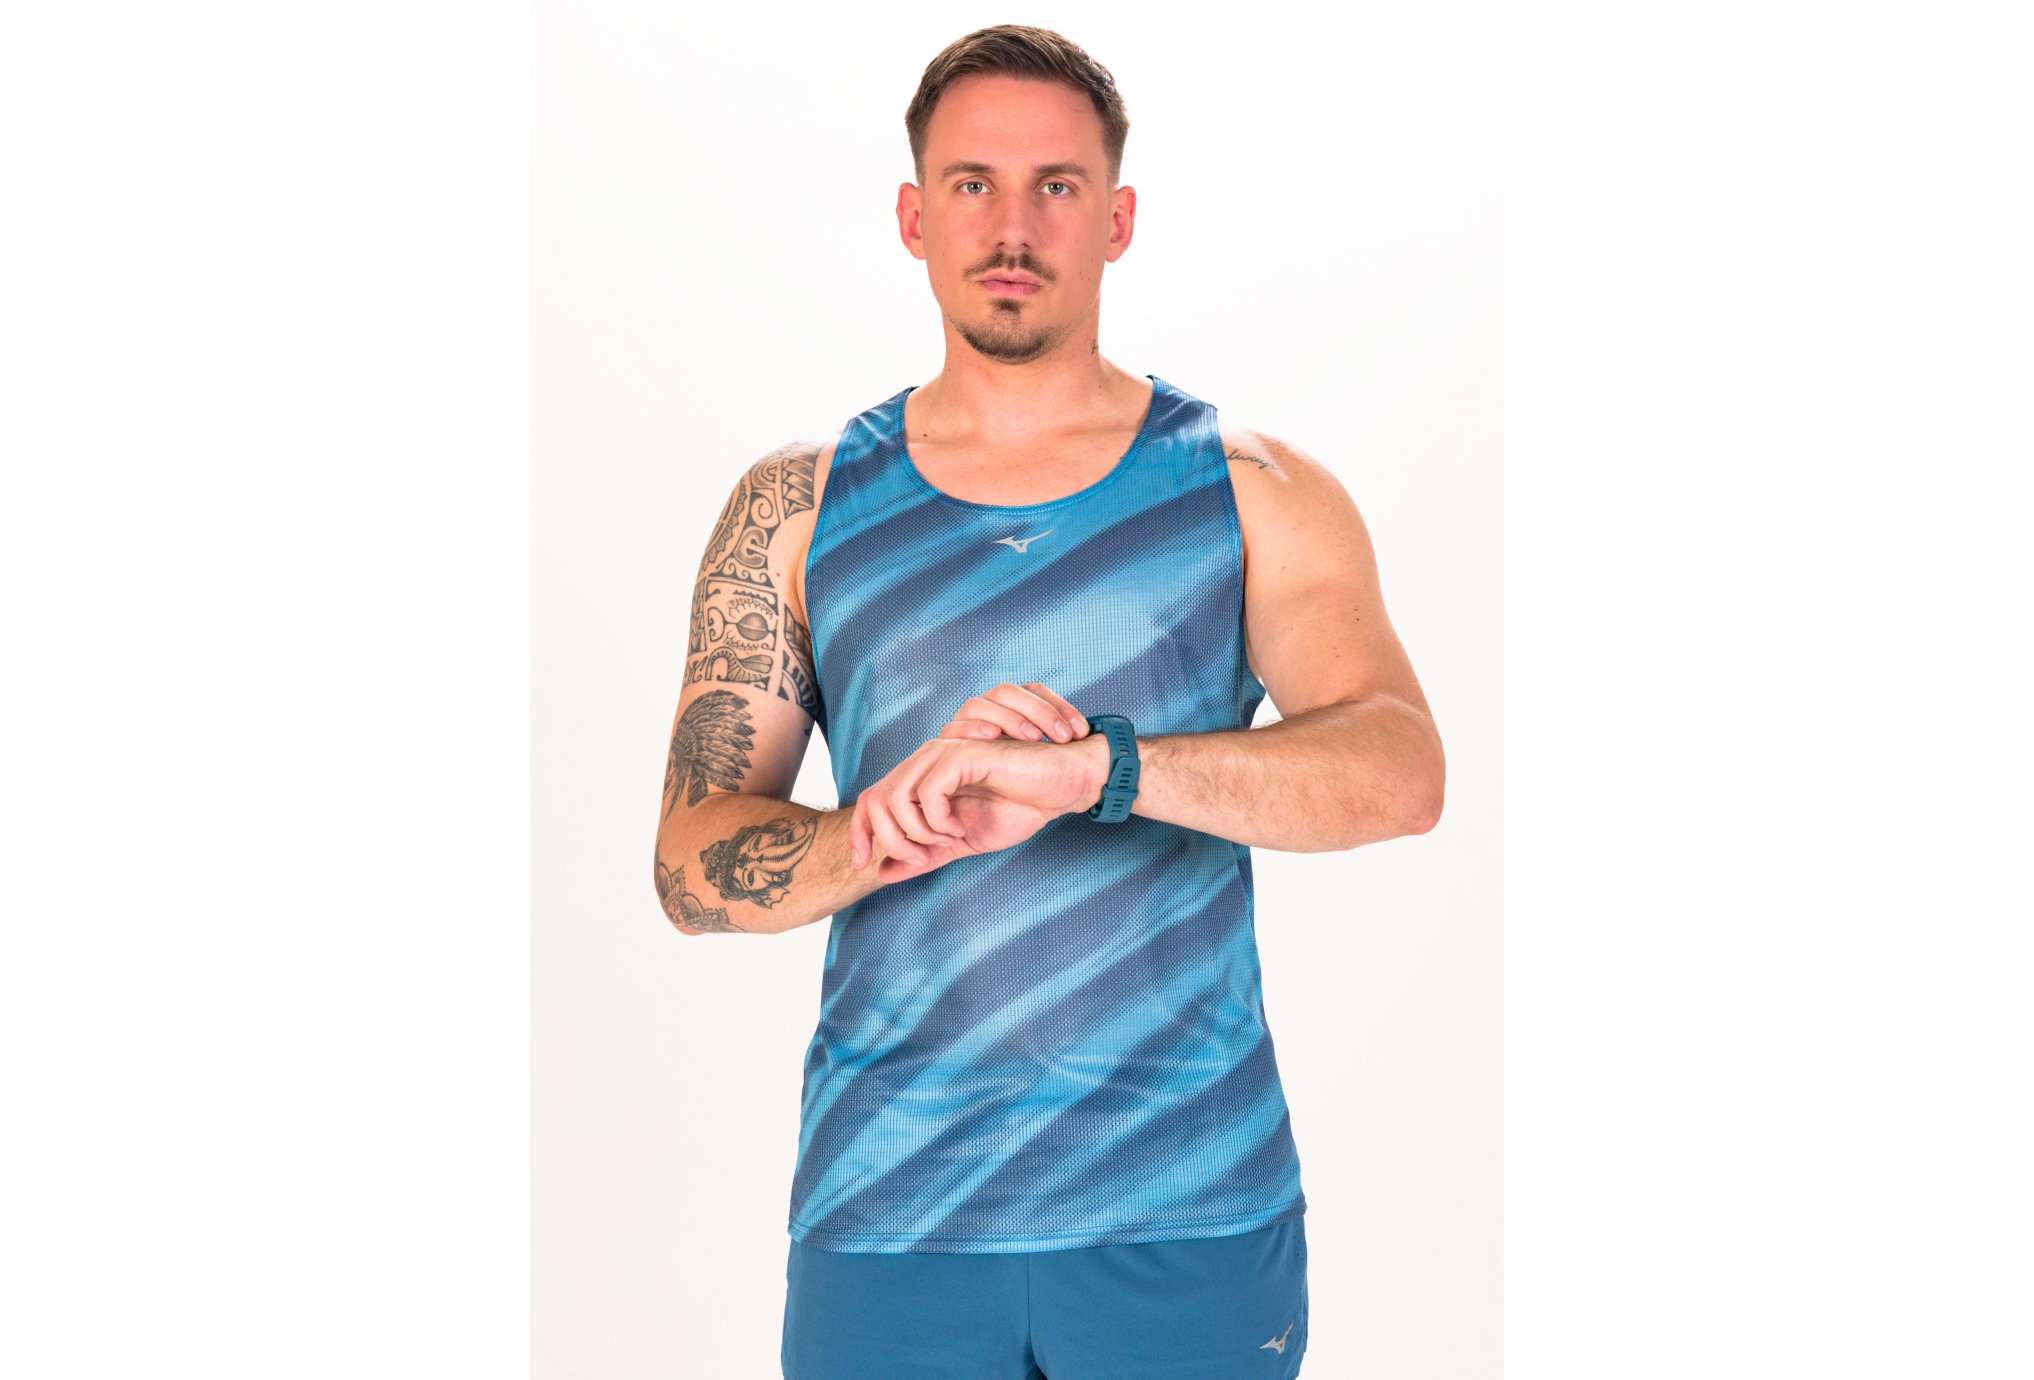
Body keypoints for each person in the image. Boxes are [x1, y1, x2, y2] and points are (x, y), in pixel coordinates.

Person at [652, 23, 1444, 1380]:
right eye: (972, 184)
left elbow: (1398, 773)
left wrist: (1097, 771)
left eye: (1056, 187)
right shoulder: (797, 506)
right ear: (914, 217)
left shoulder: (1251, 488)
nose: (1012, 227)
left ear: (1117, 219)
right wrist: (874, 834)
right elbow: (686, 863)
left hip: (1188, 1212)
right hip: (888, 1212)